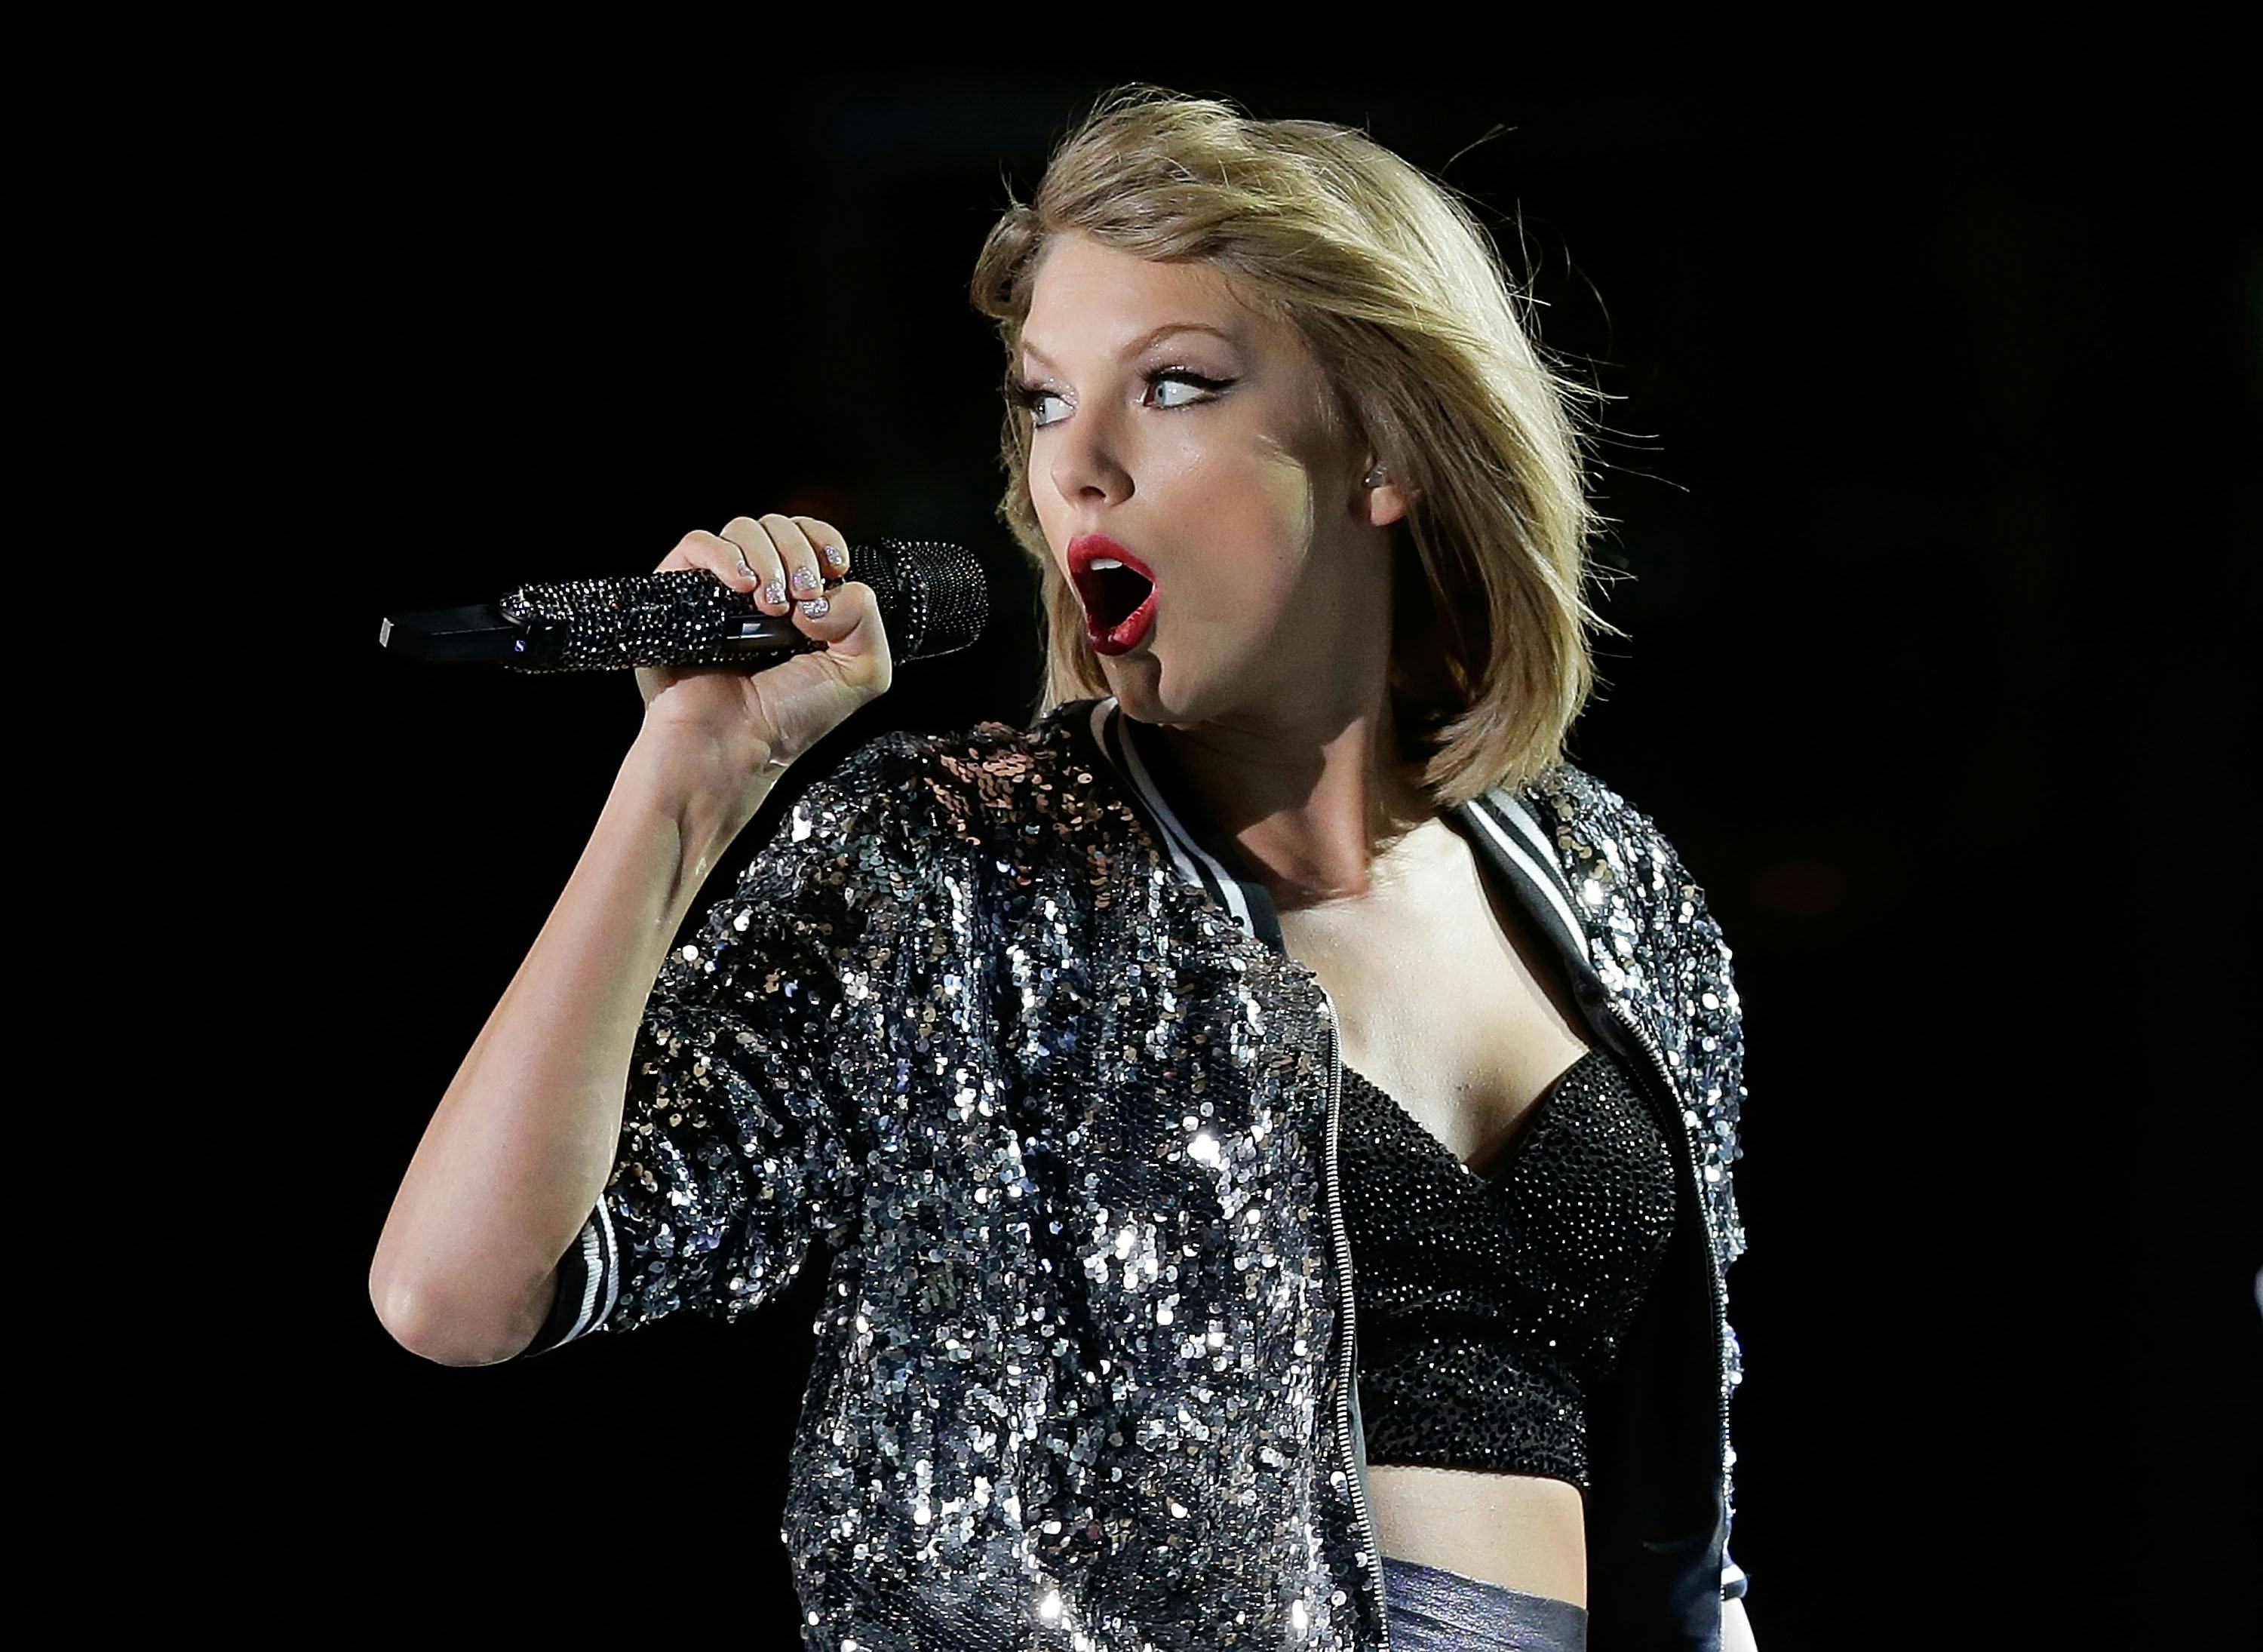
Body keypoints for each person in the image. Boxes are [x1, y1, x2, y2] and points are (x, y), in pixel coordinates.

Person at [370, 85, 1758, 1652]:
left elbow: (1690, 1520)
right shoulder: (959, 865)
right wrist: (688, 781)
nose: (1079, 465)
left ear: (1384, 447)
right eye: (1042, 401)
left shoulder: (1608, 884)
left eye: (1173, 386)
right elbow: (461, 1293)